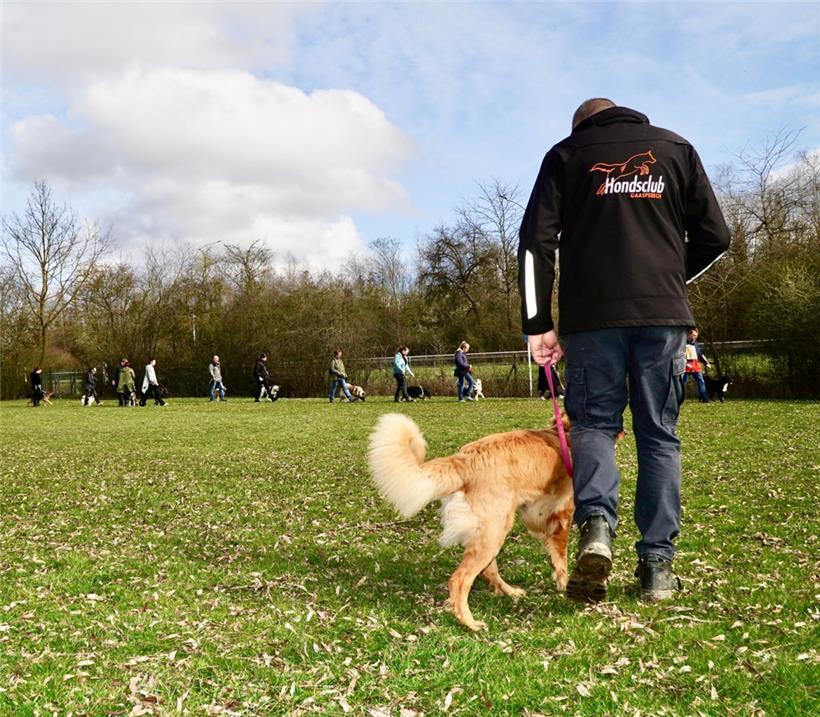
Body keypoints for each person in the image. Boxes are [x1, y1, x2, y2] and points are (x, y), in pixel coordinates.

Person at [518, 98, 730, 602]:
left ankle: (596, 529)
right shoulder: (677, 149)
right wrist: (670, 281)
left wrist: (537, 324)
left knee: (593, 425)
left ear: (580, 126)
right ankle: (657, 567)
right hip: (664, 320)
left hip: (592, 321)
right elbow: (716, 236)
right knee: (659, 435)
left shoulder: (566, 155)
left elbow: (534, 242)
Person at [683, 328, 710, 403]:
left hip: (696, 366)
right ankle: (680, 399)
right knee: (683, 383)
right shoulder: (682, 343)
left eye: (696, 335)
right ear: (689, 334)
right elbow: (680, 355)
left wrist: (706, 362)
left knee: (701, 381)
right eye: (694, 335)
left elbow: (700, 354)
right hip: (686, 367)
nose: (695, 337)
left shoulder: (696, 343)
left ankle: (704, 398)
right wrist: (685, 363)